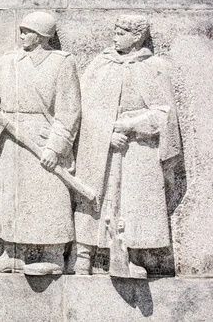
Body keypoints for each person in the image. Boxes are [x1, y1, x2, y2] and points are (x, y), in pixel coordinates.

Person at [74, 15, 181, 278]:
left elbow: (164, 114)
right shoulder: (101, 65)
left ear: (137, 37)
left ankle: (129, 254)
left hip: (138, 147)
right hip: (102, 146)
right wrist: (106, 133)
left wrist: (132, 124)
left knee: (135, 201)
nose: (114, 37)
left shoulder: (153, 67)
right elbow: (82, 110)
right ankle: (85, 255)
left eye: (121, 32)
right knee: (96, 195)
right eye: (115, 31)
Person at [0, 12, 81, 275]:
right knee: (9, 194)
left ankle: (54, 254)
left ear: (43, 35)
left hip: (43, 136)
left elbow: (69, 110)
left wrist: (57, 147)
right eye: (21, 30)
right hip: (11, 137)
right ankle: (12, 253)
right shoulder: (9, 62)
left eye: (27, 31)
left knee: (48, 194)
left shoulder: (61, 63)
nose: (21, 35)